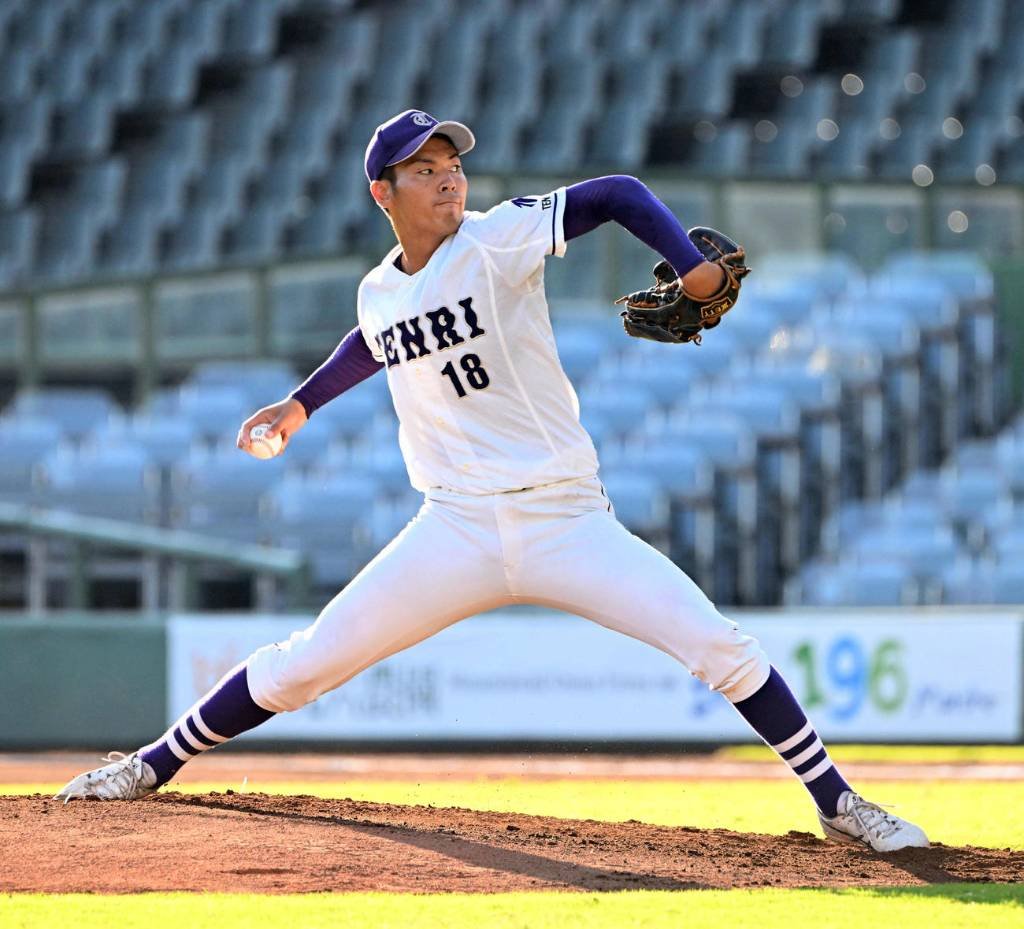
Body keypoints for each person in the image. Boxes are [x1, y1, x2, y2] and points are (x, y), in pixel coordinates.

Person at [56, 110, 928, 853]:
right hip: (455, 529)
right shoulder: (375, 292)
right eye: (425, 169)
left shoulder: (498, 238)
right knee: (303, 666)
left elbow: (620, 192)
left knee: (721, 647)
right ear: (382, 194)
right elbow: (376, 336)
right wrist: (302, 404)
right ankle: (146, 765)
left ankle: (840, 806)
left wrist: (689, 265)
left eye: (453, 165)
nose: (449, 180)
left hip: (565, 518)